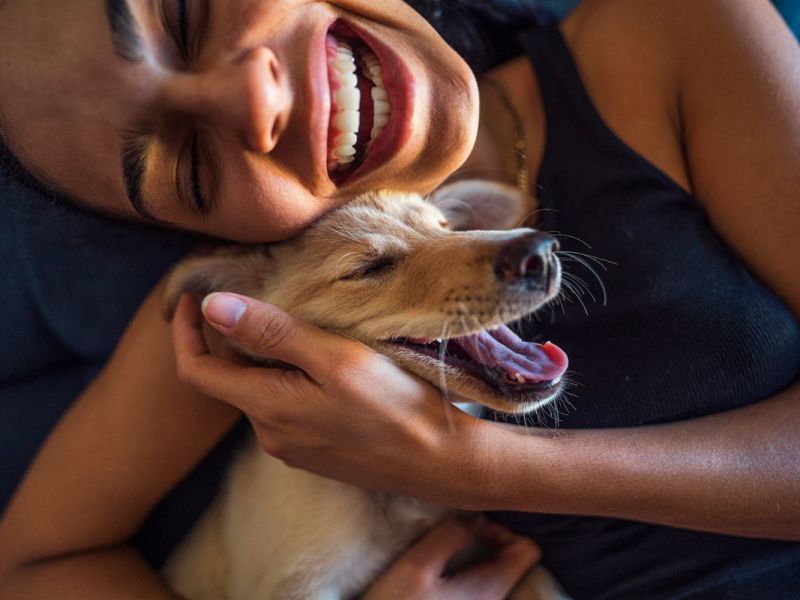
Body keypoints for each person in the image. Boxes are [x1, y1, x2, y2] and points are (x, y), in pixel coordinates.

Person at [0, 0, 798, 598]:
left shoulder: (678, 32)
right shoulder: (245, 303)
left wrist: (475, 466)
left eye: (183, 12)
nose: (254, 97)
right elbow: (37, 561)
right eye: (196, 169)